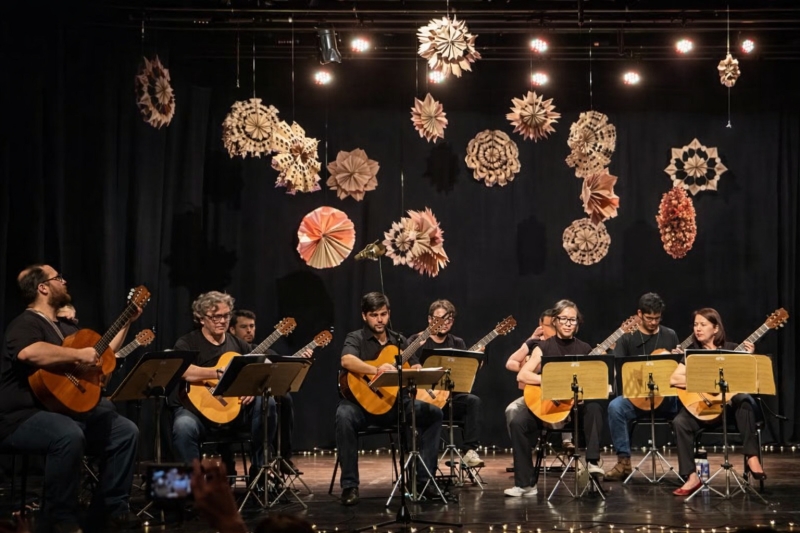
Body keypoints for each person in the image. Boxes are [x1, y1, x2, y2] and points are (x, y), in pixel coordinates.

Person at [0, 265, 141, 532]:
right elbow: (29, 352)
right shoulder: (26, 323)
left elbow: (101, 353)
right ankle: (59, 518)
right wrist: (78, 355)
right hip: (21, 417)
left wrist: (127, 321)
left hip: (63, 411)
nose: (64, 282)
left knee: (125, 431)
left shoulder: (64, 326)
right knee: (67, 434)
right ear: (42, 287)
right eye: (58, 278)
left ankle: (109, 510)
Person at [335, 292, 443, 505]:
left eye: (383, 314)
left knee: (434, 413)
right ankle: (350, 486)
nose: (379, 319)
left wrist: (416, 369)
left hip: (395, 405)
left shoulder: (399, 340)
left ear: (389, 313)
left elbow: (414, 365)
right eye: (374, 315)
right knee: (343, 415)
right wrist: (376, 370)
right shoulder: (355, 338)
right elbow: (347, 361)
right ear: (364, 316)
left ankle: (423, 481)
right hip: (361, 406)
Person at [170, 292, 274, 483]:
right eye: (216, 317)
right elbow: (183, 370)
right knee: (183, 426)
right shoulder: (188, 342)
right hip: (196, 411)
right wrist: (216, 373)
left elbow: (262, 364)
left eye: (226, 315)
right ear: (201, 318)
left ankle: (260, 472)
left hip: (233, 412)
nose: (222, 321)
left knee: (268, 402)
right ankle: (195, 484)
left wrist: (252, 388)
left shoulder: (238, 344)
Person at [505, 299, 606, 496]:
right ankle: (525, 484)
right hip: (550, 405)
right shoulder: (543, 347)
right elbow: (522, 375)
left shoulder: (584, 349)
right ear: (556, 321)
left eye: (572, 320)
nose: (568, 324)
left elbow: (596, 381)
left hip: (574, 410)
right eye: (564, 319)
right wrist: (550, 381)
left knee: (594, 407)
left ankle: (592, 463)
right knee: (518, 423)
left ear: (577, 323)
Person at [668, 307, 763, 496]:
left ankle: (751, 456)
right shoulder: (692, 354)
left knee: (744, 399)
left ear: (716, 328)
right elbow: (674, 379)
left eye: (703, 324)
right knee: (680, 422)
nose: (698, 328)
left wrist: (749, 359)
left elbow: (749, 381)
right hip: (703, 408)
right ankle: (691, 476)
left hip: (728, 412)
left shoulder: (732, 349)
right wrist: (704, 382)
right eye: (696, 324)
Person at [604, 293, 680, 481]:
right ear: (639, 314)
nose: (653, 322)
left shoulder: (670, 335)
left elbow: (677, 370)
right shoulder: (627, 337)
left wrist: (676, 359)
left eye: (657, 318)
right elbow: (620, 370)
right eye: (649, 318)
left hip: (665, 397)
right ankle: (623, 463)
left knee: (688, 405)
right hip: (636, 398)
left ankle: (689, 466)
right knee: (615, 407)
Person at [407, 299, 484, 468]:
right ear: (430, 319)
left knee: (473, 401)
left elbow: (463, 376)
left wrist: (475, 363)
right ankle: (424, 466)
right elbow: (410, 369)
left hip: (449, 400)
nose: (444, 323)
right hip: (424, 401)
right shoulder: (416, 340)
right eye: (439, 319)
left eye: (448, 320)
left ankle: (469, 451)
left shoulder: (457, 343)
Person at [228, 309, 304, 475]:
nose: (249, 330)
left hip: (256, 409)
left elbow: (280, 376)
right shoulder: (225, 351)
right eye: (244, 327)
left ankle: (281, 457)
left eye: (252, 326)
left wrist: (301, 359)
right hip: (226, 407)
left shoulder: (265, 352)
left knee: (284, 398)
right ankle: (229, 464)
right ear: (232, 329)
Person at [505, 309, 575, 451]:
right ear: (540, 325)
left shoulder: (565, 343)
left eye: (554, 325)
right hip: (535, 395)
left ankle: (567, 441)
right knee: (511, 410)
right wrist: (527, 370)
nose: (552, 329)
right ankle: (521, 452)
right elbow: (510, 363)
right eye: (548, 326)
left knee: (566, 403)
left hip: (557, 395)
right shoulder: (534, 343)